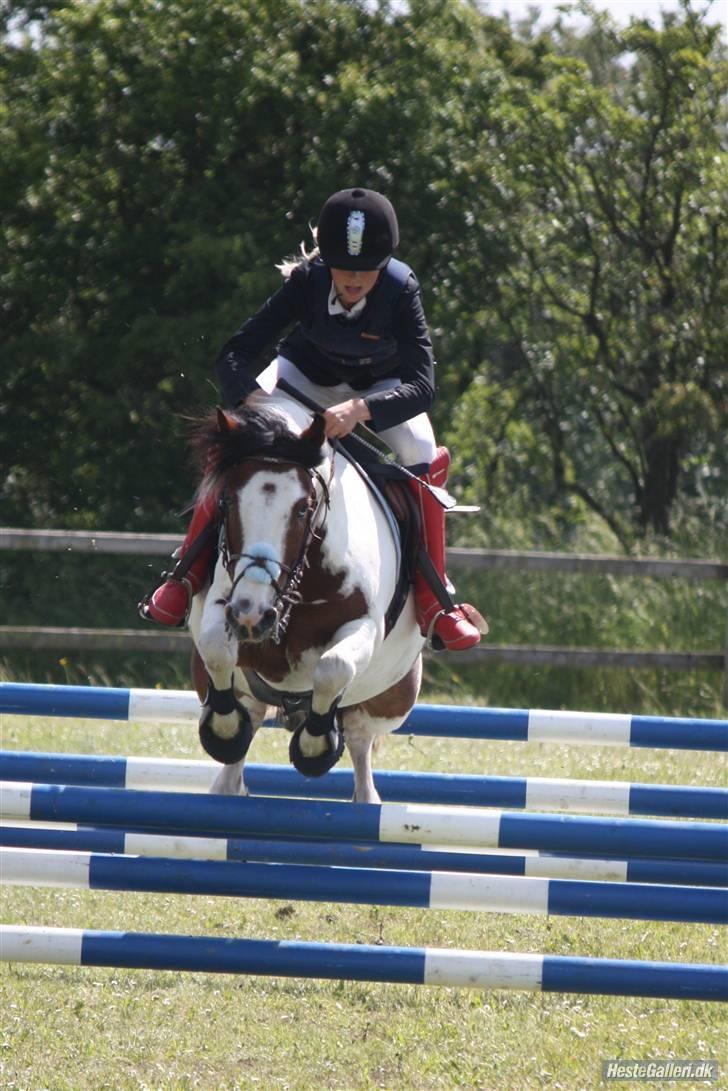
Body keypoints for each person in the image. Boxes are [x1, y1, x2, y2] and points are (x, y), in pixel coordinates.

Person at [141, 187, 482, 650]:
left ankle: (435, 599)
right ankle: (185, 576)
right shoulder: (307, 280)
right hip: (302, 380)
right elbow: (234, 355)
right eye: (344, 268)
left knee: (423, 453)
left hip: (379, 388)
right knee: (238, 437)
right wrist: (255, 402)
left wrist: (362, 409)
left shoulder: (402, 289)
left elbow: (423, 387)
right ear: (327, 260)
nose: (354, 279)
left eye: (366, 270)